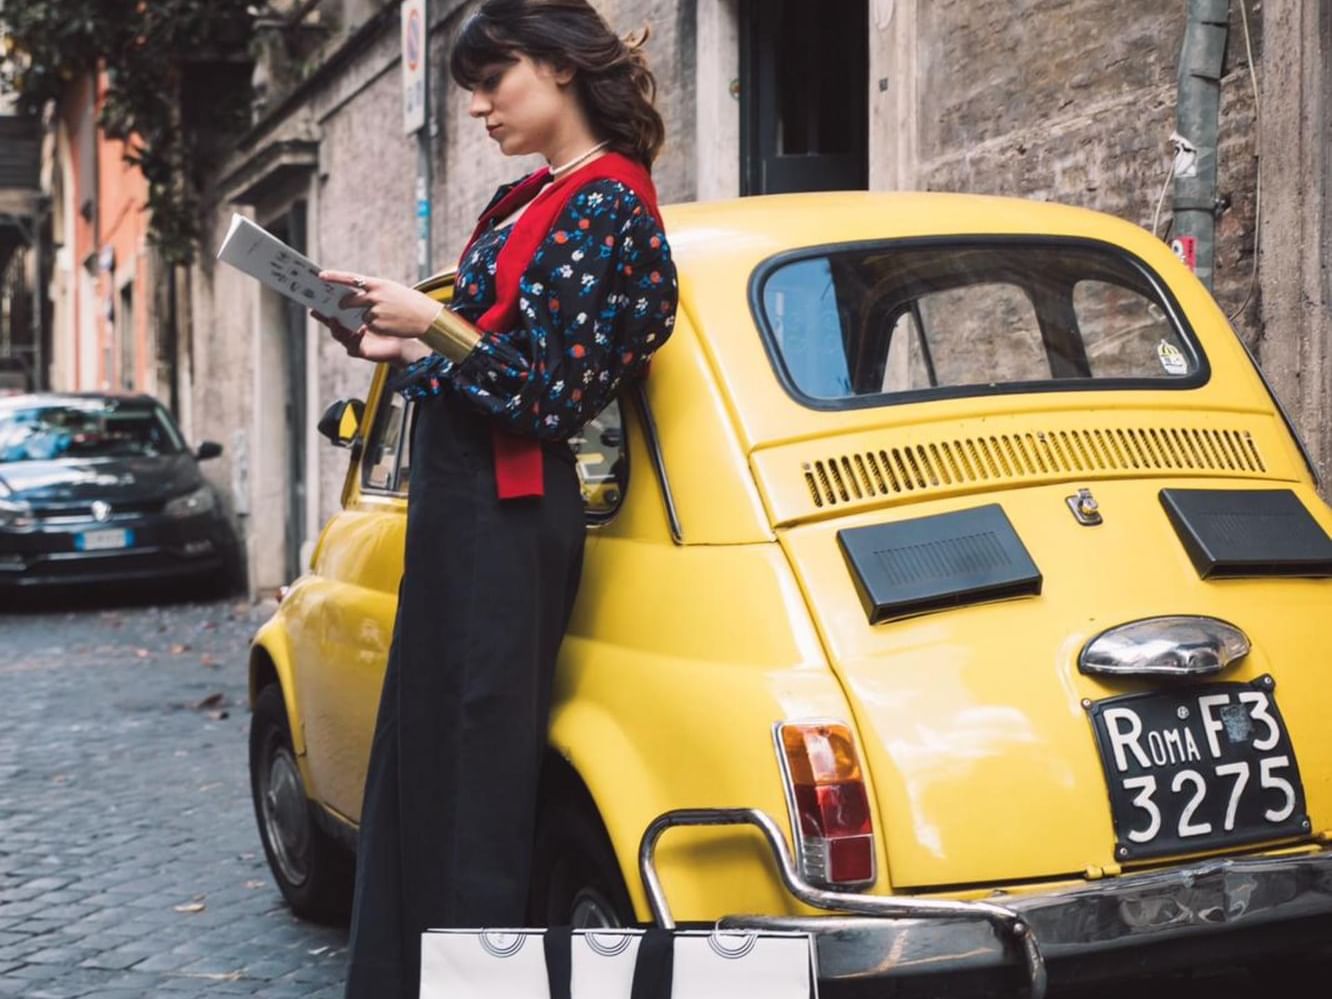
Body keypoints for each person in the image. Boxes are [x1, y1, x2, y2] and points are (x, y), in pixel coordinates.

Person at [309, 2, 678, 996]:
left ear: (558, 67)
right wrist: (402, 342)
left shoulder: (612, 204)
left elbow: (550, 392)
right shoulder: (530, 199)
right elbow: (487, 354)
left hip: (509, 514)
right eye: (471, 85)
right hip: (461, 502)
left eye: (493, 78)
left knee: (476, 773)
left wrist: (434, 322)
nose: (476, 104)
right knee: (424, 755)